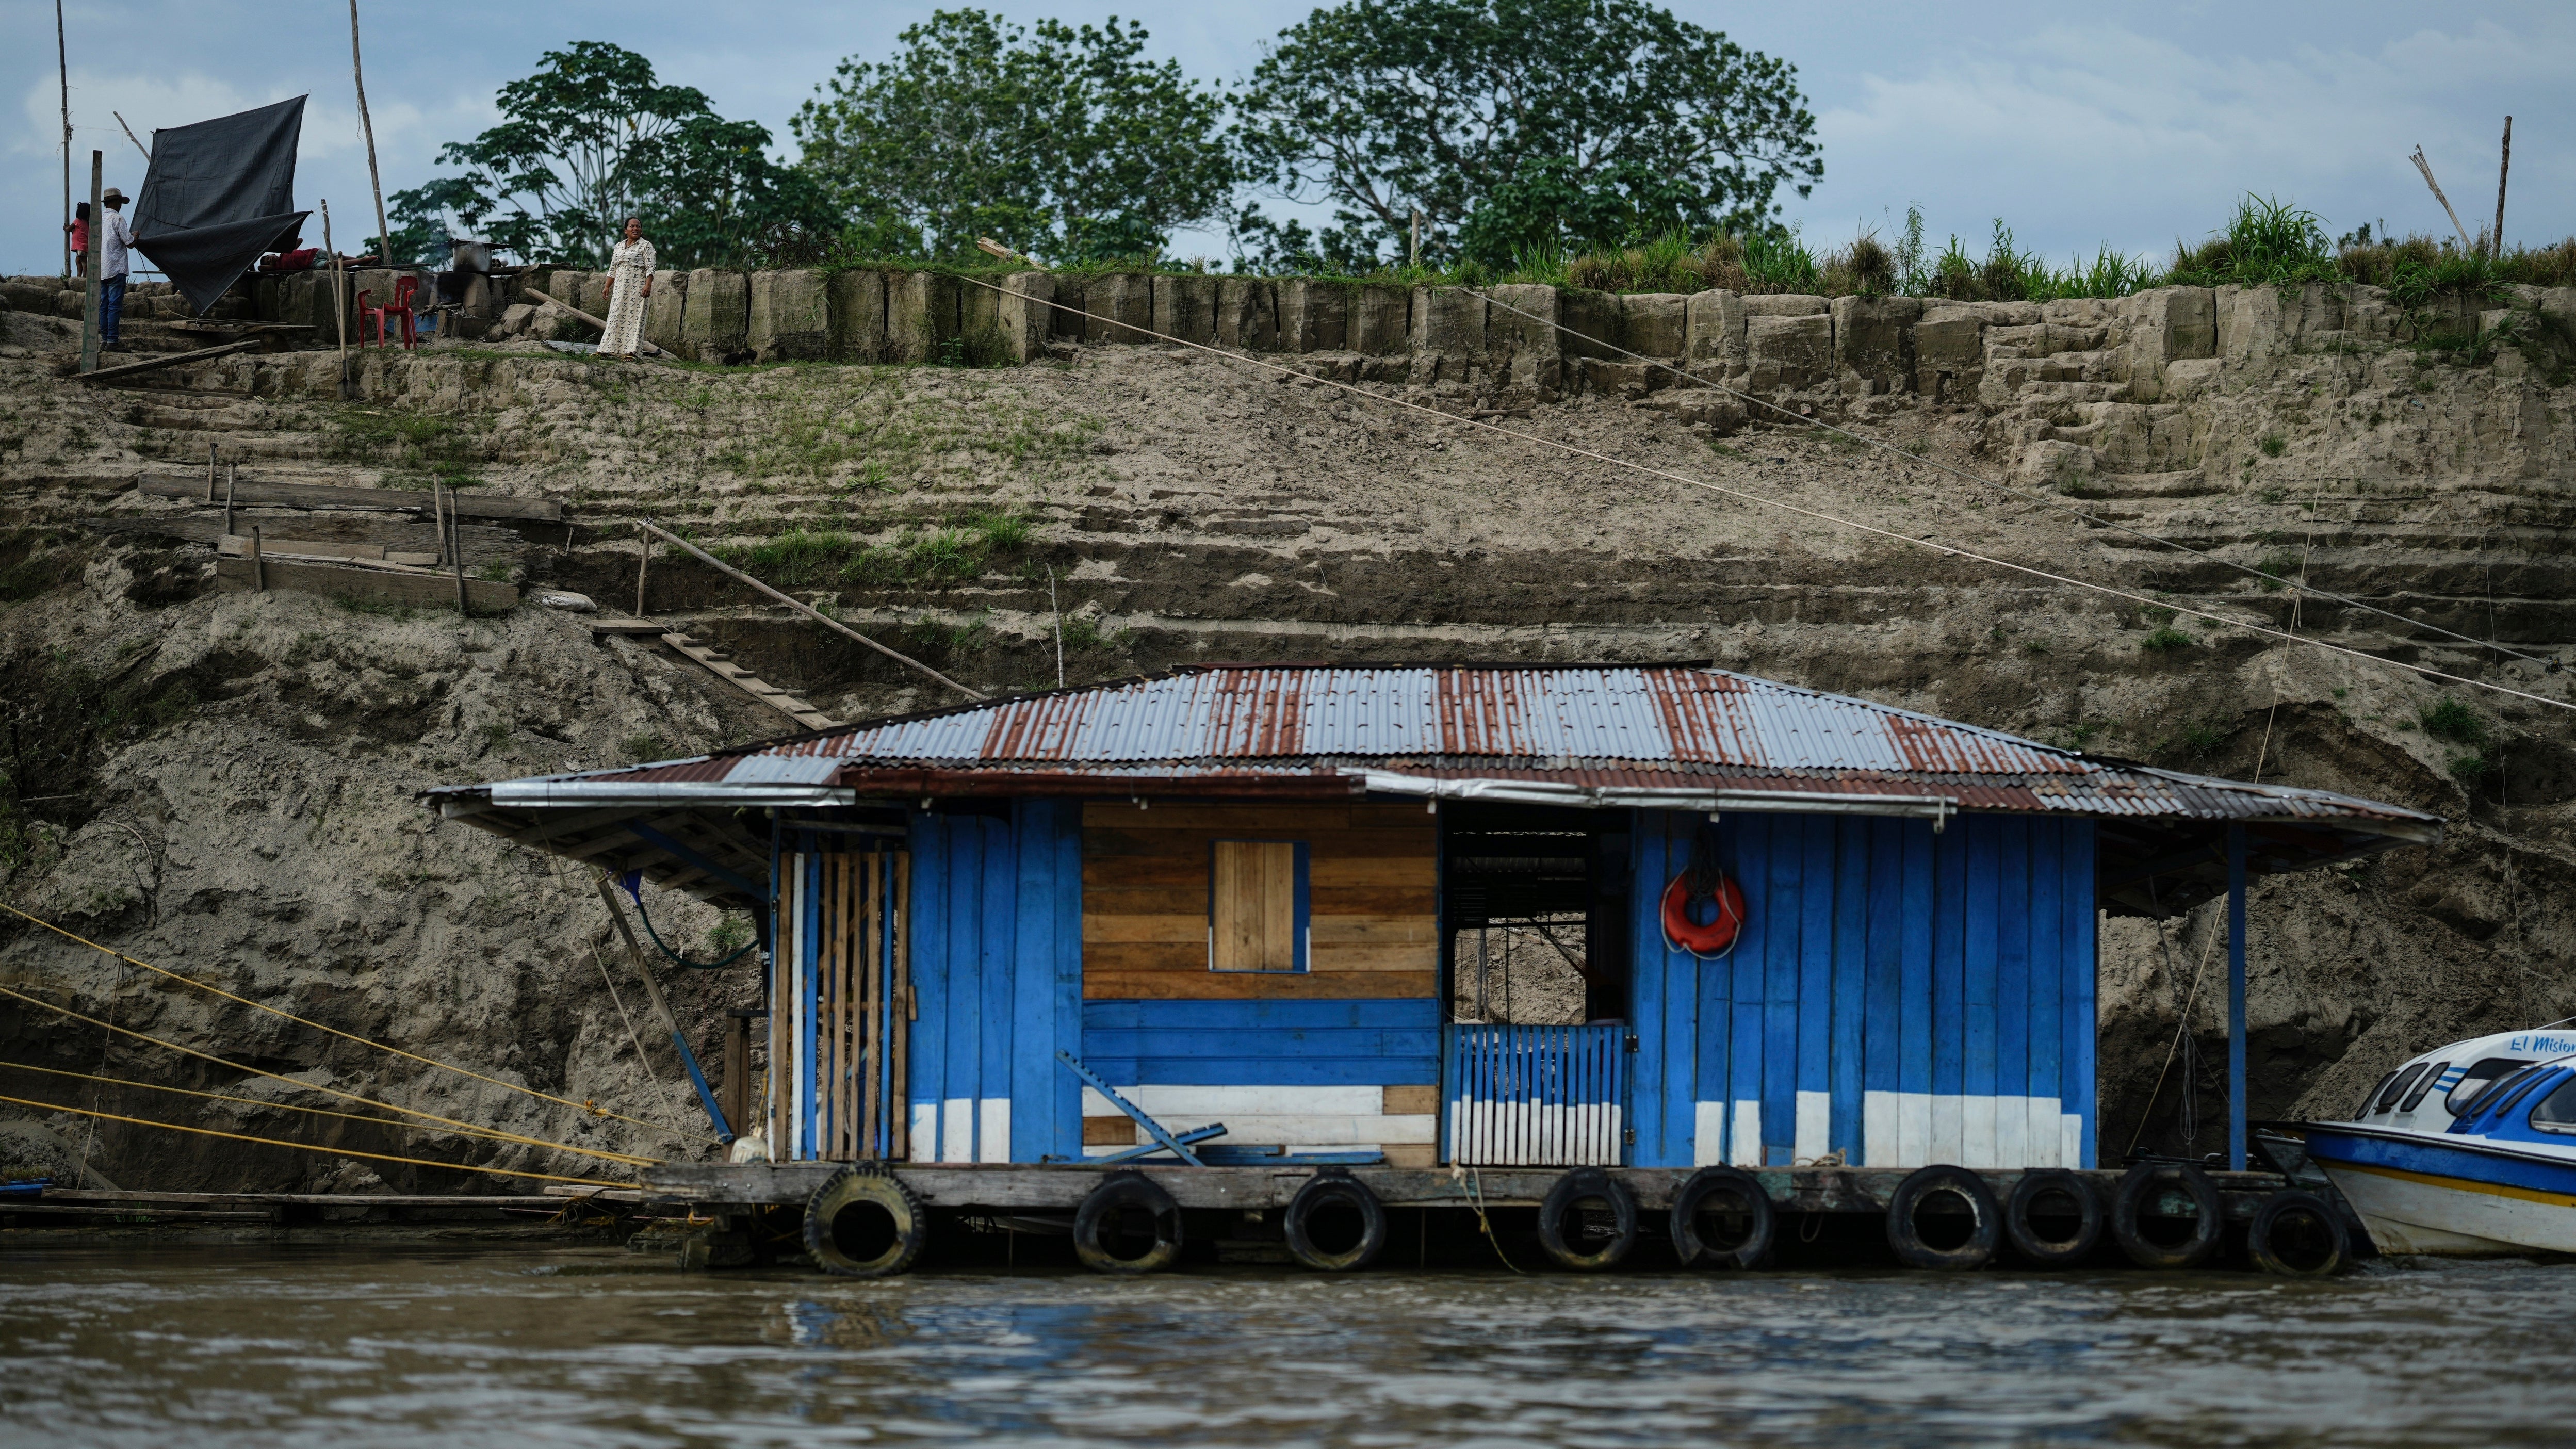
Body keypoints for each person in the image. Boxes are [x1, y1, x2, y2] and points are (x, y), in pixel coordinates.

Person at [598, 217, 654, 359]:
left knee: (635, 318)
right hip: (620, 288)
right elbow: (613, 269)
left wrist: (648, 285)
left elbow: (650, 268)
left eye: (638, 226)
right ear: (626, 231)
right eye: (632, 227)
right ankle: (606, 349)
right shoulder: (618, 247)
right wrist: (607, 286)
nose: (636, 229)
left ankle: (632, 352)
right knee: (615, 316)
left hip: (638, 288)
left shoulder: (646, 246)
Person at [96, 187, 137, 352]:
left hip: (102, 269)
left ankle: (105, 340)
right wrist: (137, 234)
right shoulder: (117, 218)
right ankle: (113, 341)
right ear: (115, 203)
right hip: (116, 268)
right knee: (114, 306)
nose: (121, 205)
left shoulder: (98, 220)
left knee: (104, 306)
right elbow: (130, 243)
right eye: (120, 202)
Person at [65, 202, 89, 279]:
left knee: (83, 261)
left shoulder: (78, 221)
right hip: (84, 245)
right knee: (79, 260)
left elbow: (69, 229)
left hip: (80, 245)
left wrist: (66, 228)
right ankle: (79, 276)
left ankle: (84, 275)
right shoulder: (87, 223)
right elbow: (79, 231)